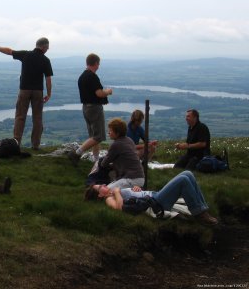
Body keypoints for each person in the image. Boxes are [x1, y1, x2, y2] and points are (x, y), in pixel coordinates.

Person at [84, 170, 218, 226]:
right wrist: (118, 192)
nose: (103, 184)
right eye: (100, 187)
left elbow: (134, 197)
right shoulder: (109, 199)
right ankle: (199, 214)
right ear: (100, 195)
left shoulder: (113, 193)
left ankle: (202, 209)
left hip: (154, 195)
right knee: (183, 179)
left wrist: (135, 190)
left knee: (188, 173)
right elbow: (119, 207)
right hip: (156, 202)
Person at [0, 37, 53, 150]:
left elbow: (9, 51)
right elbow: (48, 79)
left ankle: (16, 143)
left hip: (24, 90)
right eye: (47, 47)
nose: (47, 49)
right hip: (38, 92)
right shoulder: (45, 60)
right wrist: (49, 93)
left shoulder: (26, 54)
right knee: (37, 119)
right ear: (44, 47)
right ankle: (35, 145)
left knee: (20, 117)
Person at [68, 53, 112, 166]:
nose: (99, 66)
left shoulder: (82, 76)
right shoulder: (92, 77)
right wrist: (108, 91)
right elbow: (99, 94)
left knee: (93, 136)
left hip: (86, 107)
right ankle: (77, 153)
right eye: (98, 64)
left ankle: (96, 160)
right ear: (96, 63)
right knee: (98, 136)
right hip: (94, 108)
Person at [95, 118, 145, 189]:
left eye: (110, 131)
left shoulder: (116, 144)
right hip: (140, 177)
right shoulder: (129, 140)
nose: (109, 133)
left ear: (117, 133)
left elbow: (104, 163)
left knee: (106, 191)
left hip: (131, 179)